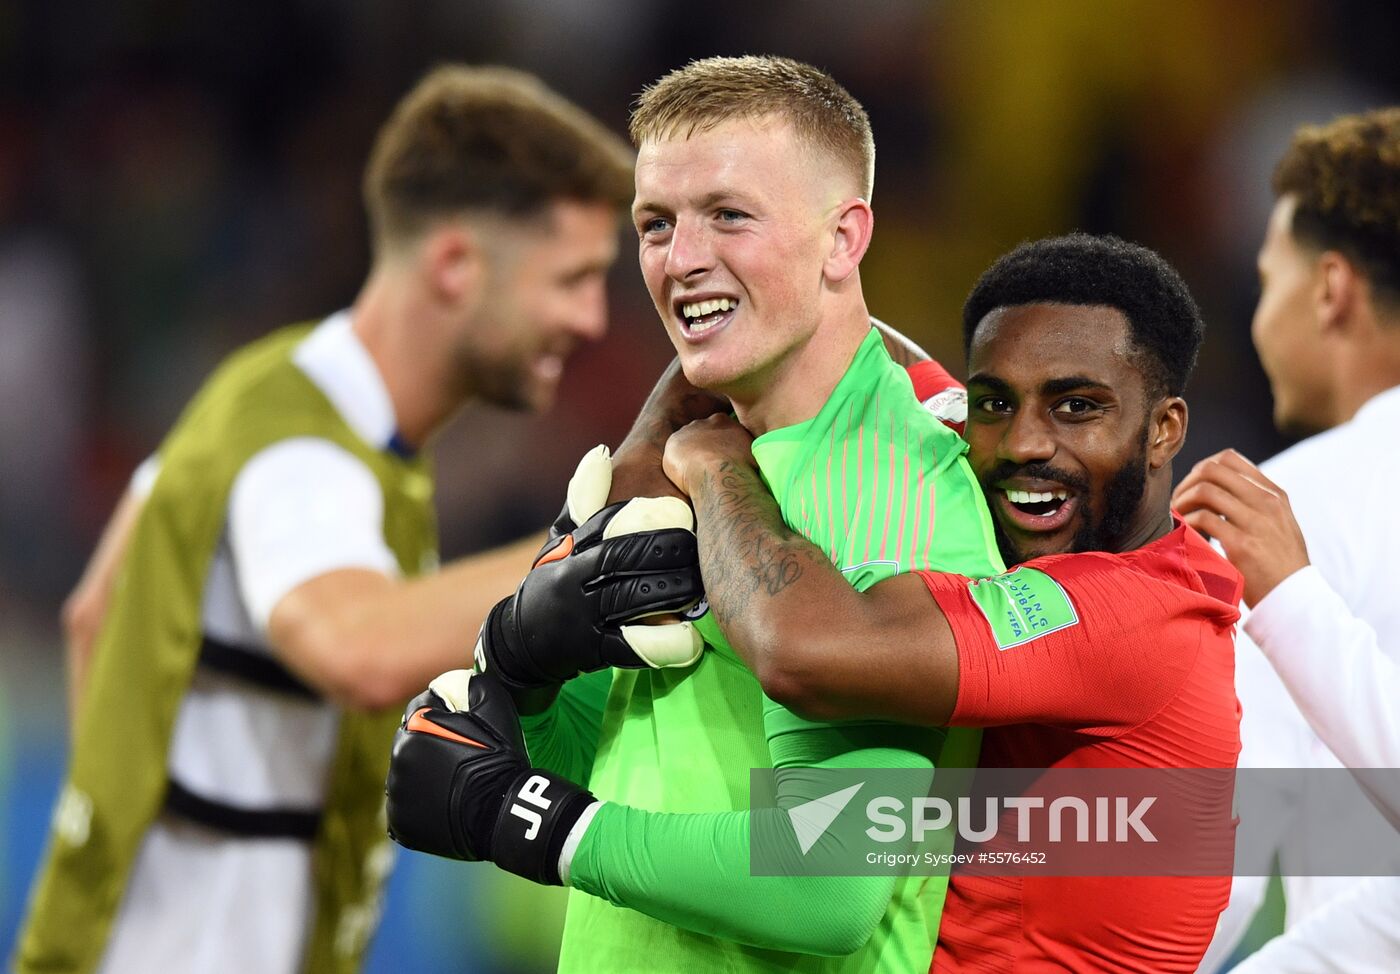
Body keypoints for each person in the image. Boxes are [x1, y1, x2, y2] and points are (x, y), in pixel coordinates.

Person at [385, 54, 1006, 973]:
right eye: (655, 224)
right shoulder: (682, 451)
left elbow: (828, 884)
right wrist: (523, 663)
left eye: (729, 215)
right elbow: (577, 762)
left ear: (844, 239)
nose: (681, 261)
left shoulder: (901, 492)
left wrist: (535, 825)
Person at [14, 65, 635, 974]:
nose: (589, 320)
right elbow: (357, 646)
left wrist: (120, 833)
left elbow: (93, 615)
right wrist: (583, 561)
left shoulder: (264, 392)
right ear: (457, 265)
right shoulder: (305, 455)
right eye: (571, 279)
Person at [657, 233, 1244, 972]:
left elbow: (800, 651)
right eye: (996, 401)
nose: (1024, 440)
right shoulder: (1040, 500)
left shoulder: (1129, 619)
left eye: (1076, 406)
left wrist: (716, 471)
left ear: (1164, 430)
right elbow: (862, 352)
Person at [1170, 107, 1400, 972]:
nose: (1263, 318)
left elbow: (1222, 832)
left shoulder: (1286, 508)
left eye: (1271, 281)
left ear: (1331, 289)